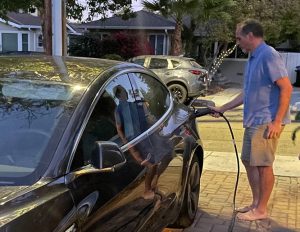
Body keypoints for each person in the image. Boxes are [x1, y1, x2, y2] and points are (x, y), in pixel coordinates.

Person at [210, 19, 293, 221]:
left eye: (239, 38)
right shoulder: (253, 58)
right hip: (253, 121)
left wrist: (276, 122)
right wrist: (222, 108)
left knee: (264, 165)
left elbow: (287, 88)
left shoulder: (268, 55)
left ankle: (261, 210)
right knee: (248, 160)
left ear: (250, 36)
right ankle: (256, 203)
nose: (237, 43)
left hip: (266, 121)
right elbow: (246, 94)